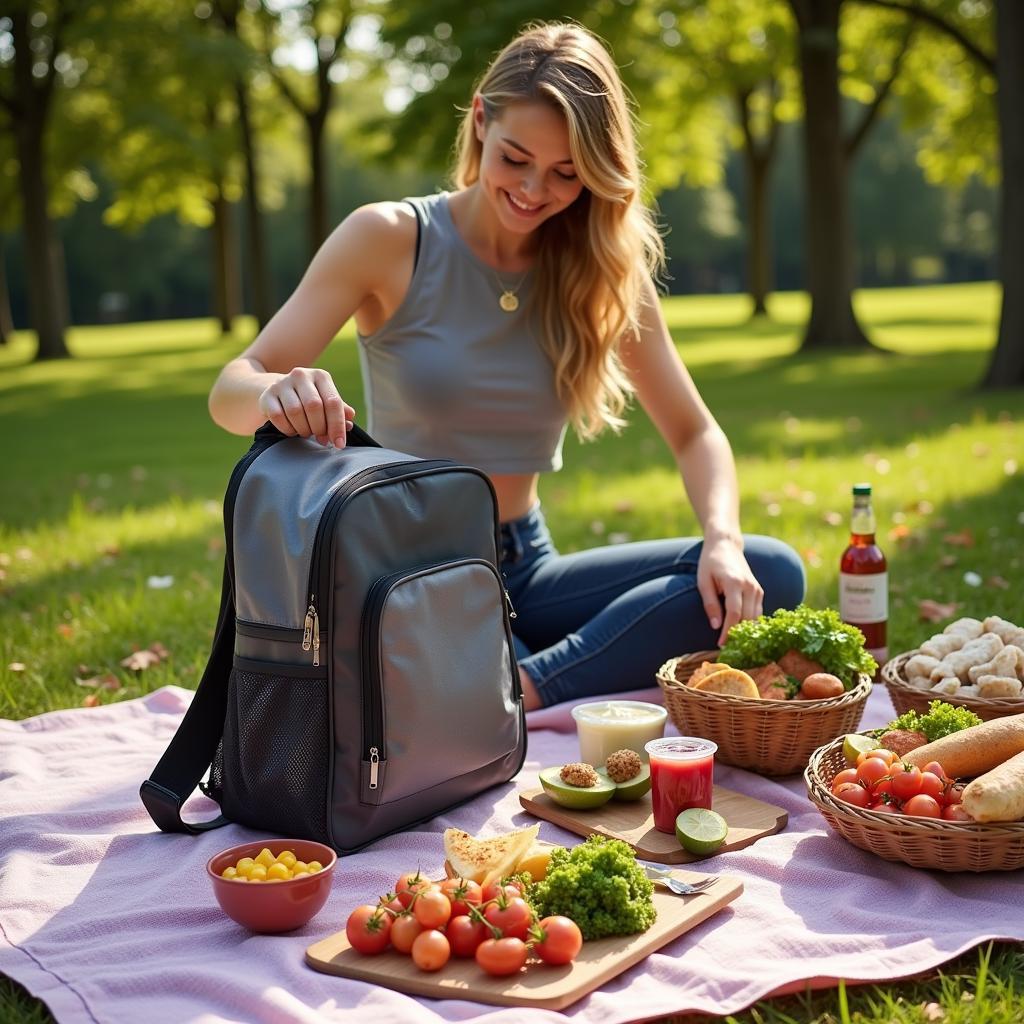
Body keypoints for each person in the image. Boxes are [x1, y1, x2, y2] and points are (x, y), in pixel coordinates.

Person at [208, 22, 805, 710]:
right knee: (463, 662)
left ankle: (522, 684)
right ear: (482, 121)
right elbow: (232, 388)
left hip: (526, 564)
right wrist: (278, 389)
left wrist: (721, 543)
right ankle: (528, 677)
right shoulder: (391, 238)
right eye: (515, 157)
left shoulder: (600, 267)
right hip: (412, 569)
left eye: (565, 173)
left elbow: (697, 433)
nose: (532, 189)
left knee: (766, 571)